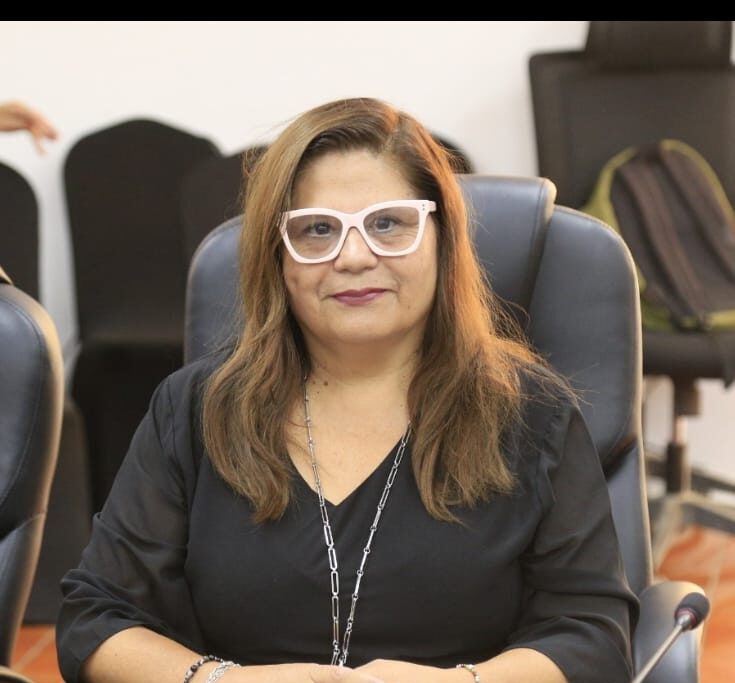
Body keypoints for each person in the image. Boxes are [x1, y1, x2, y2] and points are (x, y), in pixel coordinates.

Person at [56, 97, 638, 683]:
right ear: (277, 257)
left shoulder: (531, 413)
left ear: (442, 238)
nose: (354, 257)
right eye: (318, 230)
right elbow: (96, 617)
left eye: (388, 224)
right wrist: (227, 681)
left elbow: (591, 634)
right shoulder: (196, 410)